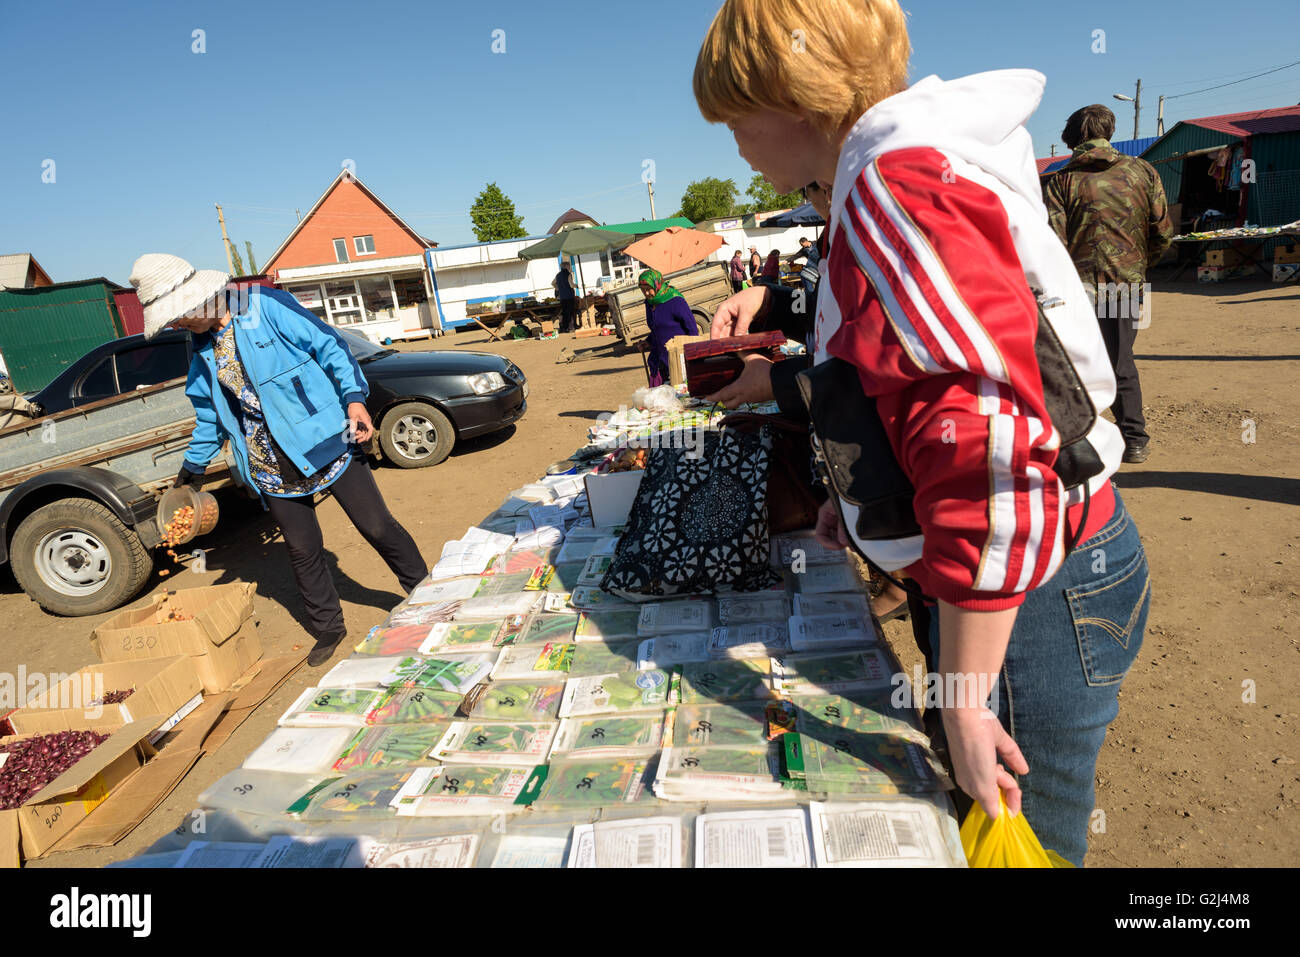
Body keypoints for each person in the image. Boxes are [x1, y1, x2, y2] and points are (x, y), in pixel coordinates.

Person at [694, 0, 1149, 866]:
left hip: (1027, 596)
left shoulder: (894, 184)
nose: (738, 145)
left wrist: (968, 697)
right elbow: (896, 381)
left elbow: (990, 448)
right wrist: (863, 497)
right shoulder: (892, 172)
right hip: (1006, 584)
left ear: (793, 93)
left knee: (1020, 840)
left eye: (737, 115)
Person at [130, 254, 427, 667]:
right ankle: (328, 627)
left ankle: (427, 591)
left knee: (376, 525)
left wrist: (354, 400)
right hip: (268, 460)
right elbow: (210, 413)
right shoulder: (200, 346)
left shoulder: (262, 306)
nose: (176, 325)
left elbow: (330, 347)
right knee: (302, 549)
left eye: (177, 316)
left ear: (198, 300)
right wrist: (192, 470)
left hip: (326, 437)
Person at [1044, 104, 1173, 464]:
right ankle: (1134, 439)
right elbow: (1162, 232)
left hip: (1076, 290)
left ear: (1072, 138)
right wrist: (1137, 267)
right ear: (1109, 131)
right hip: (1125, 286)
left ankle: (1080, 442)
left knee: (1074, 363)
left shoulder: (1061, 180)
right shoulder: (1142, 171)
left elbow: (1051, 242)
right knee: (1120, 360)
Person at [638, 268, 698, 386]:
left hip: (676, 358)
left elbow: (692, 328)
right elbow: (657, 328)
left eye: (649, 289)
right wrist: (648, 341)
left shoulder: (675, 300)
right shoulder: (650, 303)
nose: (646, 293)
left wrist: (693, 354)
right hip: (658, 361)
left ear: (657, 285)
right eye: (643, 290)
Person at [553, 261, 578, 333]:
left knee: (565, 312)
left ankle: (564, 327)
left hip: (562, 297)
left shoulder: (558, 275)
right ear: (566, 266)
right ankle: (571, 327)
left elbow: (553, 283)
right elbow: (571, 285)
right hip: (569, 296)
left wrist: (558, 288)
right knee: (570, 312)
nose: (569, 267)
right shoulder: (568, 274)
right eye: (569, 266)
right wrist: (576, 285)